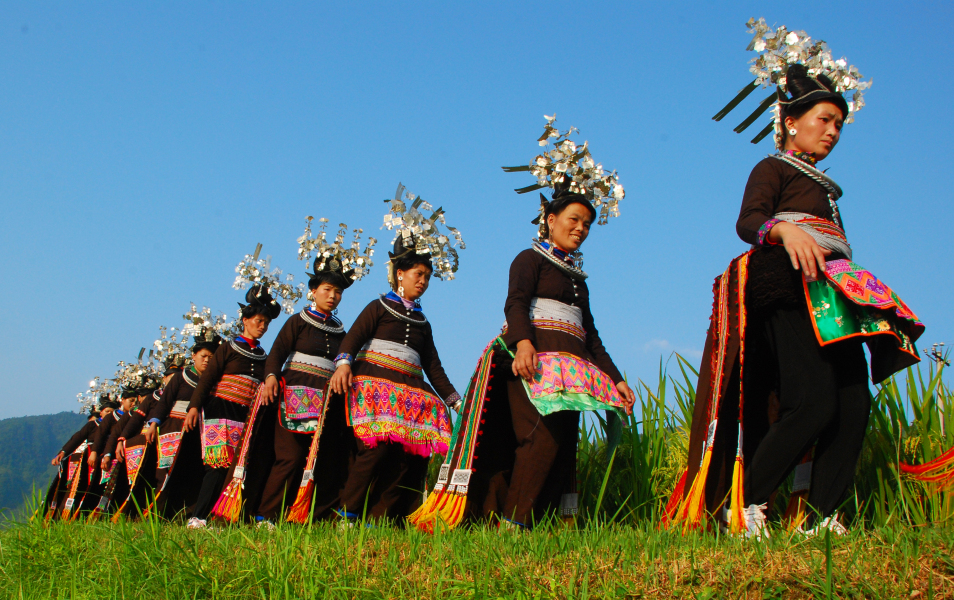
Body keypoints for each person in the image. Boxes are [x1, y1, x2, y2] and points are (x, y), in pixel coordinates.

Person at [668, 35, 922, 539]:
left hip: (838, 299)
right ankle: (746, 502)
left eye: (839, 124)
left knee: (854, 404)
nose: (833, 131)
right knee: (813, 401)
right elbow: (749, 222)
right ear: (790, 122)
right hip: (790, 287)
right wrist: (783, 230)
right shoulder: (772, 168)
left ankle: (823, 516)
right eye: (824, 120)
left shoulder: (826, 187)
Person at [411, 118, 635, 531]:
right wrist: (525, 344)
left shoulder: (578, 282)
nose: (580, 229)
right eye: (573, 219)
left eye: (586, 223)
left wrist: (616, 379)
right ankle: (513, 526)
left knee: (564, 445)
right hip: (529, 364)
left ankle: (544, 524)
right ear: (549, 219)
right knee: (539, 439)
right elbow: (515, 303)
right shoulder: (528, 260)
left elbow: (592, 337)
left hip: (573, 373)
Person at [329, 186, 463, 523]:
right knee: (374, 452)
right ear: (400, 273)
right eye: (419, 274)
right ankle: (348, 514)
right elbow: (353, 339)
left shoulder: (423, 322)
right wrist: (344, 365)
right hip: (375, 386)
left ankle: (387, 518)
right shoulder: (378, 307)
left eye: (428, 276)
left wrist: (455, 400)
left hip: (412, 390)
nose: (424, 281)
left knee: (410, 456)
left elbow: (433, 365)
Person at [254, 218, 374, 525]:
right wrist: (270, 378)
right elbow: (277, 354)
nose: (333, 296)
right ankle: (266, 516)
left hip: (327, 401)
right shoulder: (297, 322)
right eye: (327, 289)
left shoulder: (341, 331)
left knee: (322, 460)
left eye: (338, 291)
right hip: (292, 395)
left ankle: (312, 516)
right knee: (290, 459)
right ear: (313, 290)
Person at [183, 285, 280, 528]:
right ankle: (199, 516)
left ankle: (227, 516)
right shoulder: (228, 348)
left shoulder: (263, 356)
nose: (263, 327)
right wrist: (194, 407)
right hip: (220, 410)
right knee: (217, 466)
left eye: (266, 323)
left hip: (246, 416)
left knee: (239, 467)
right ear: (245, 320)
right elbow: (207, 380)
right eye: (258, 321)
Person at [142, 322, 223, 517]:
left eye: (211, 357)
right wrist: (153, 424)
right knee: (167, 472)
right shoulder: (181, 377)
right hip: (174, 429)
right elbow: (164, 403)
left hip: (200, 431)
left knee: (194, 472)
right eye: (203, 356)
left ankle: (186, 513)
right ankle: (157, 513)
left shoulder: (216, 381)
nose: (206, 360)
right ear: (193, 356)